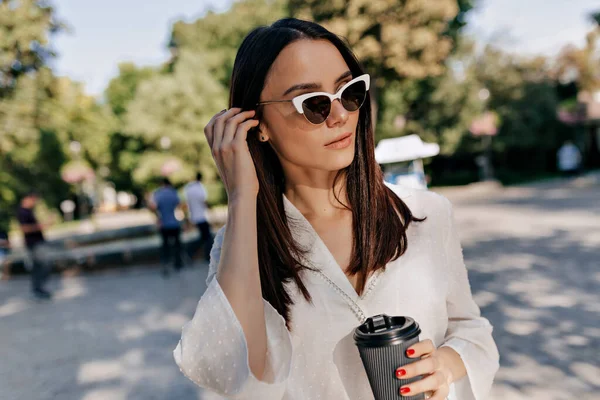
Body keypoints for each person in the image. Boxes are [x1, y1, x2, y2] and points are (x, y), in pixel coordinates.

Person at [174, 18, 499, 400]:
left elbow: (471, 329)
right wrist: (242, 197)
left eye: (349, 92)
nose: (340, 114)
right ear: (257, 124)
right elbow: (240, 374)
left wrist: (444, 366)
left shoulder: (426, 214)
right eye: (313, 103)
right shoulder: (243, 245)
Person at [17, 192, 52, 299]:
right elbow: (24, 228)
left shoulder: (28, 211)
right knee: (42, 266)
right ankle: (38, 289)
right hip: (34, 243)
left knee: (40, 266)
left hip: (37, 242)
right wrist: (41, 226)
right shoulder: (22, 212)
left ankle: (39, 289)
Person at [151, 178, 183, 275]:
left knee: (165, 246)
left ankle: (165, 263)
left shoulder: (158, 194)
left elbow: (153, 207)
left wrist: (158, 217)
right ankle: (177, 263)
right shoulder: (173, 192)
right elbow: (180, 205)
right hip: (174, 223)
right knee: (177, 244)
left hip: (163, 224)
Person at [184, 172, 214, 261]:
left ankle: (192, 252)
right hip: (201, 216)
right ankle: (196, 252)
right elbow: (203, 200)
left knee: (204, 237)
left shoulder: (189, 188)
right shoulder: (200, 187)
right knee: (207, 237)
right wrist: (210, 209)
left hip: (194, 216)